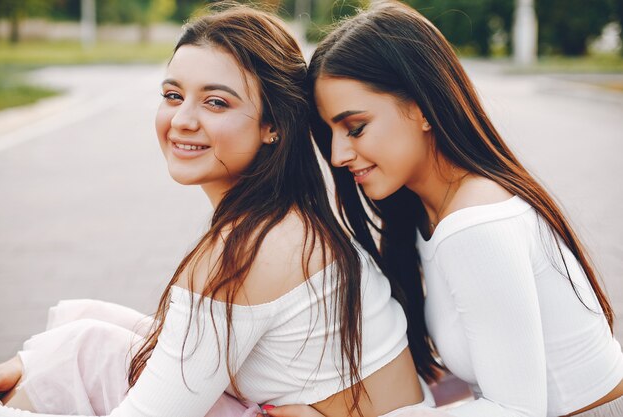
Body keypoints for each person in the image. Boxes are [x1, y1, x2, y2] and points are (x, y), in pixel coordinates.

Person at [0, 5, 448, 417]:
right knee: (84, 346)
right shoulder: (289, 221)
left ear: (274, 125)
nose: (182, 120)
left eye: (216, 102)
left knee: (75, 362)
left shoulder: (250, 250)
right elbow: (177, 345)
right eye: (173, 95)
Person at [263, 1, 623, 416]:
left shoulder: (475, 223)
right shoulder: (427, 214)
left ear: (421, 108)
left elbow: (515, 410)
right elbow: (469, 387)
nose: (339, 154)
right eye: (329, 133)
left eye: (355, 127)